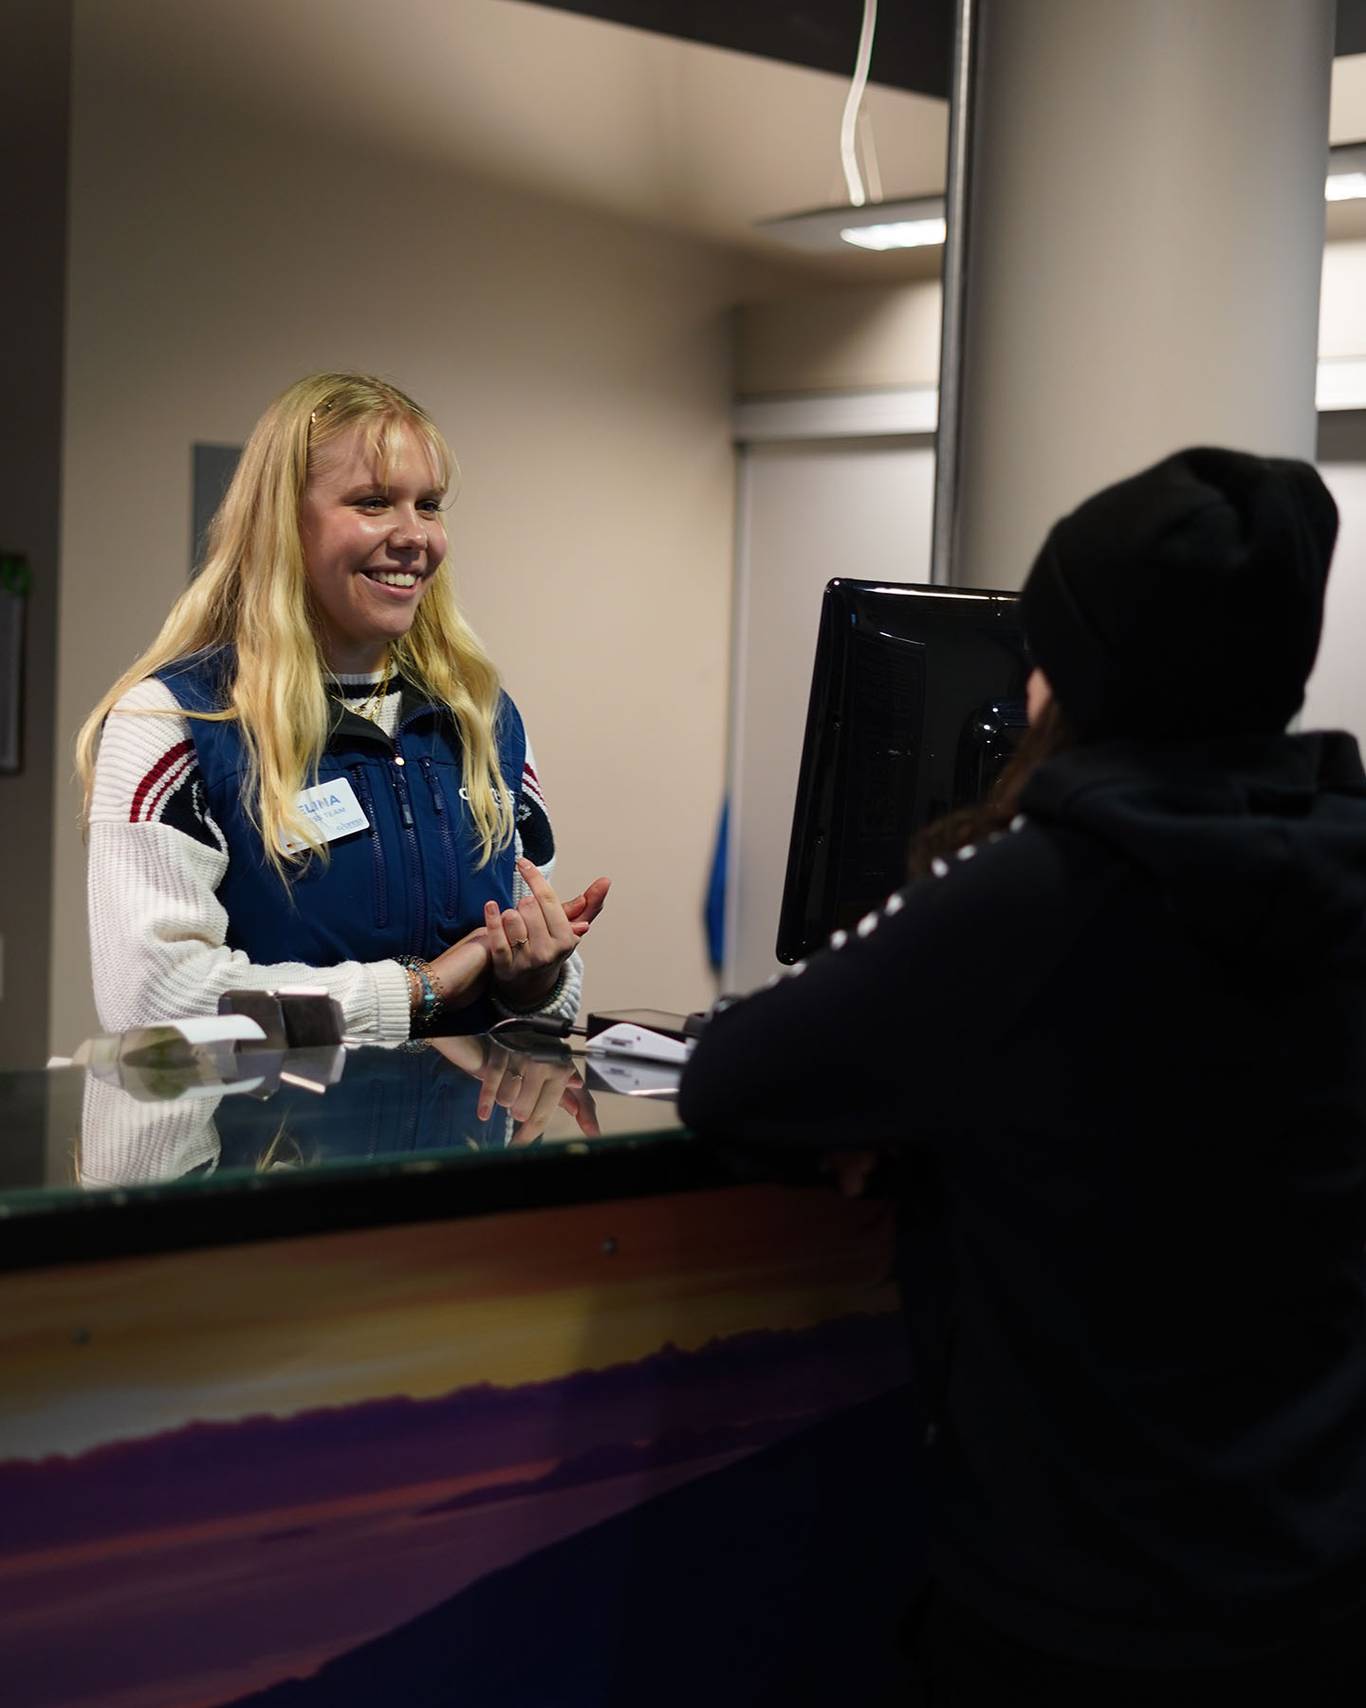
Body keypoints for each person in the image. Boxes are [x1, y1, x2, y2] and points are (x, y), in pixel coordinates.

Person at [679, 448, 1366, 1704]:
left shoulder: (1035, 894)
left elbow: (730, 1079)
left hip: (1075, 1608)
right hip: (1317, 1587)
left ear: (1083, 677)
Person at [78, 372, 609, 1040]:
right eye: (373, 502)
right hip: (262, 1142)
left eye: (430, 504)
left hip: (465, 1141)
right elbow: (153, 1001)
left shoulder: (483, 718)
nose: (415, 536)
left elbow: (527, 981)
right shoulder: (175, 722)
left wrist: (537, 980)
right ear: (283, 523)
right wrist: (416, 991)